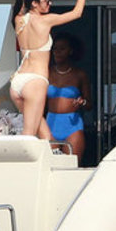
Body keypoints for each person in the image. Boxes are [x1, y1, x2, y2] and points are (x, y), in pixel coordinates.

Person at [11, 0, 88, 140]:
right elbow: (77, 13)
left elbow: (25, 0)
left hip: (18, 81)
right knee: (29, 135)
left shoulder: (19, 20)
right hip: (35, 81)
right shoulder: (45, 21)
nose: (50, 4)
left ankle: (53, 152)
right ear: (35, 3)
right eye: (47, 1)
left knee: (42, 130)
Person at [46, 33, 91, 162]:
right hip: (50, 124)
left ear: (70, 51)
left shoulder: (79, 75)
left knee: (72, 165)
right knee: (50, 165)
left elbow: (89, 105)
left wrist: (82, 102)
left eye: (62, 49)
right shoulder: (47, 72)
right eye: (55, 49)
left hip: (72, 125)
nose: (57, 52)